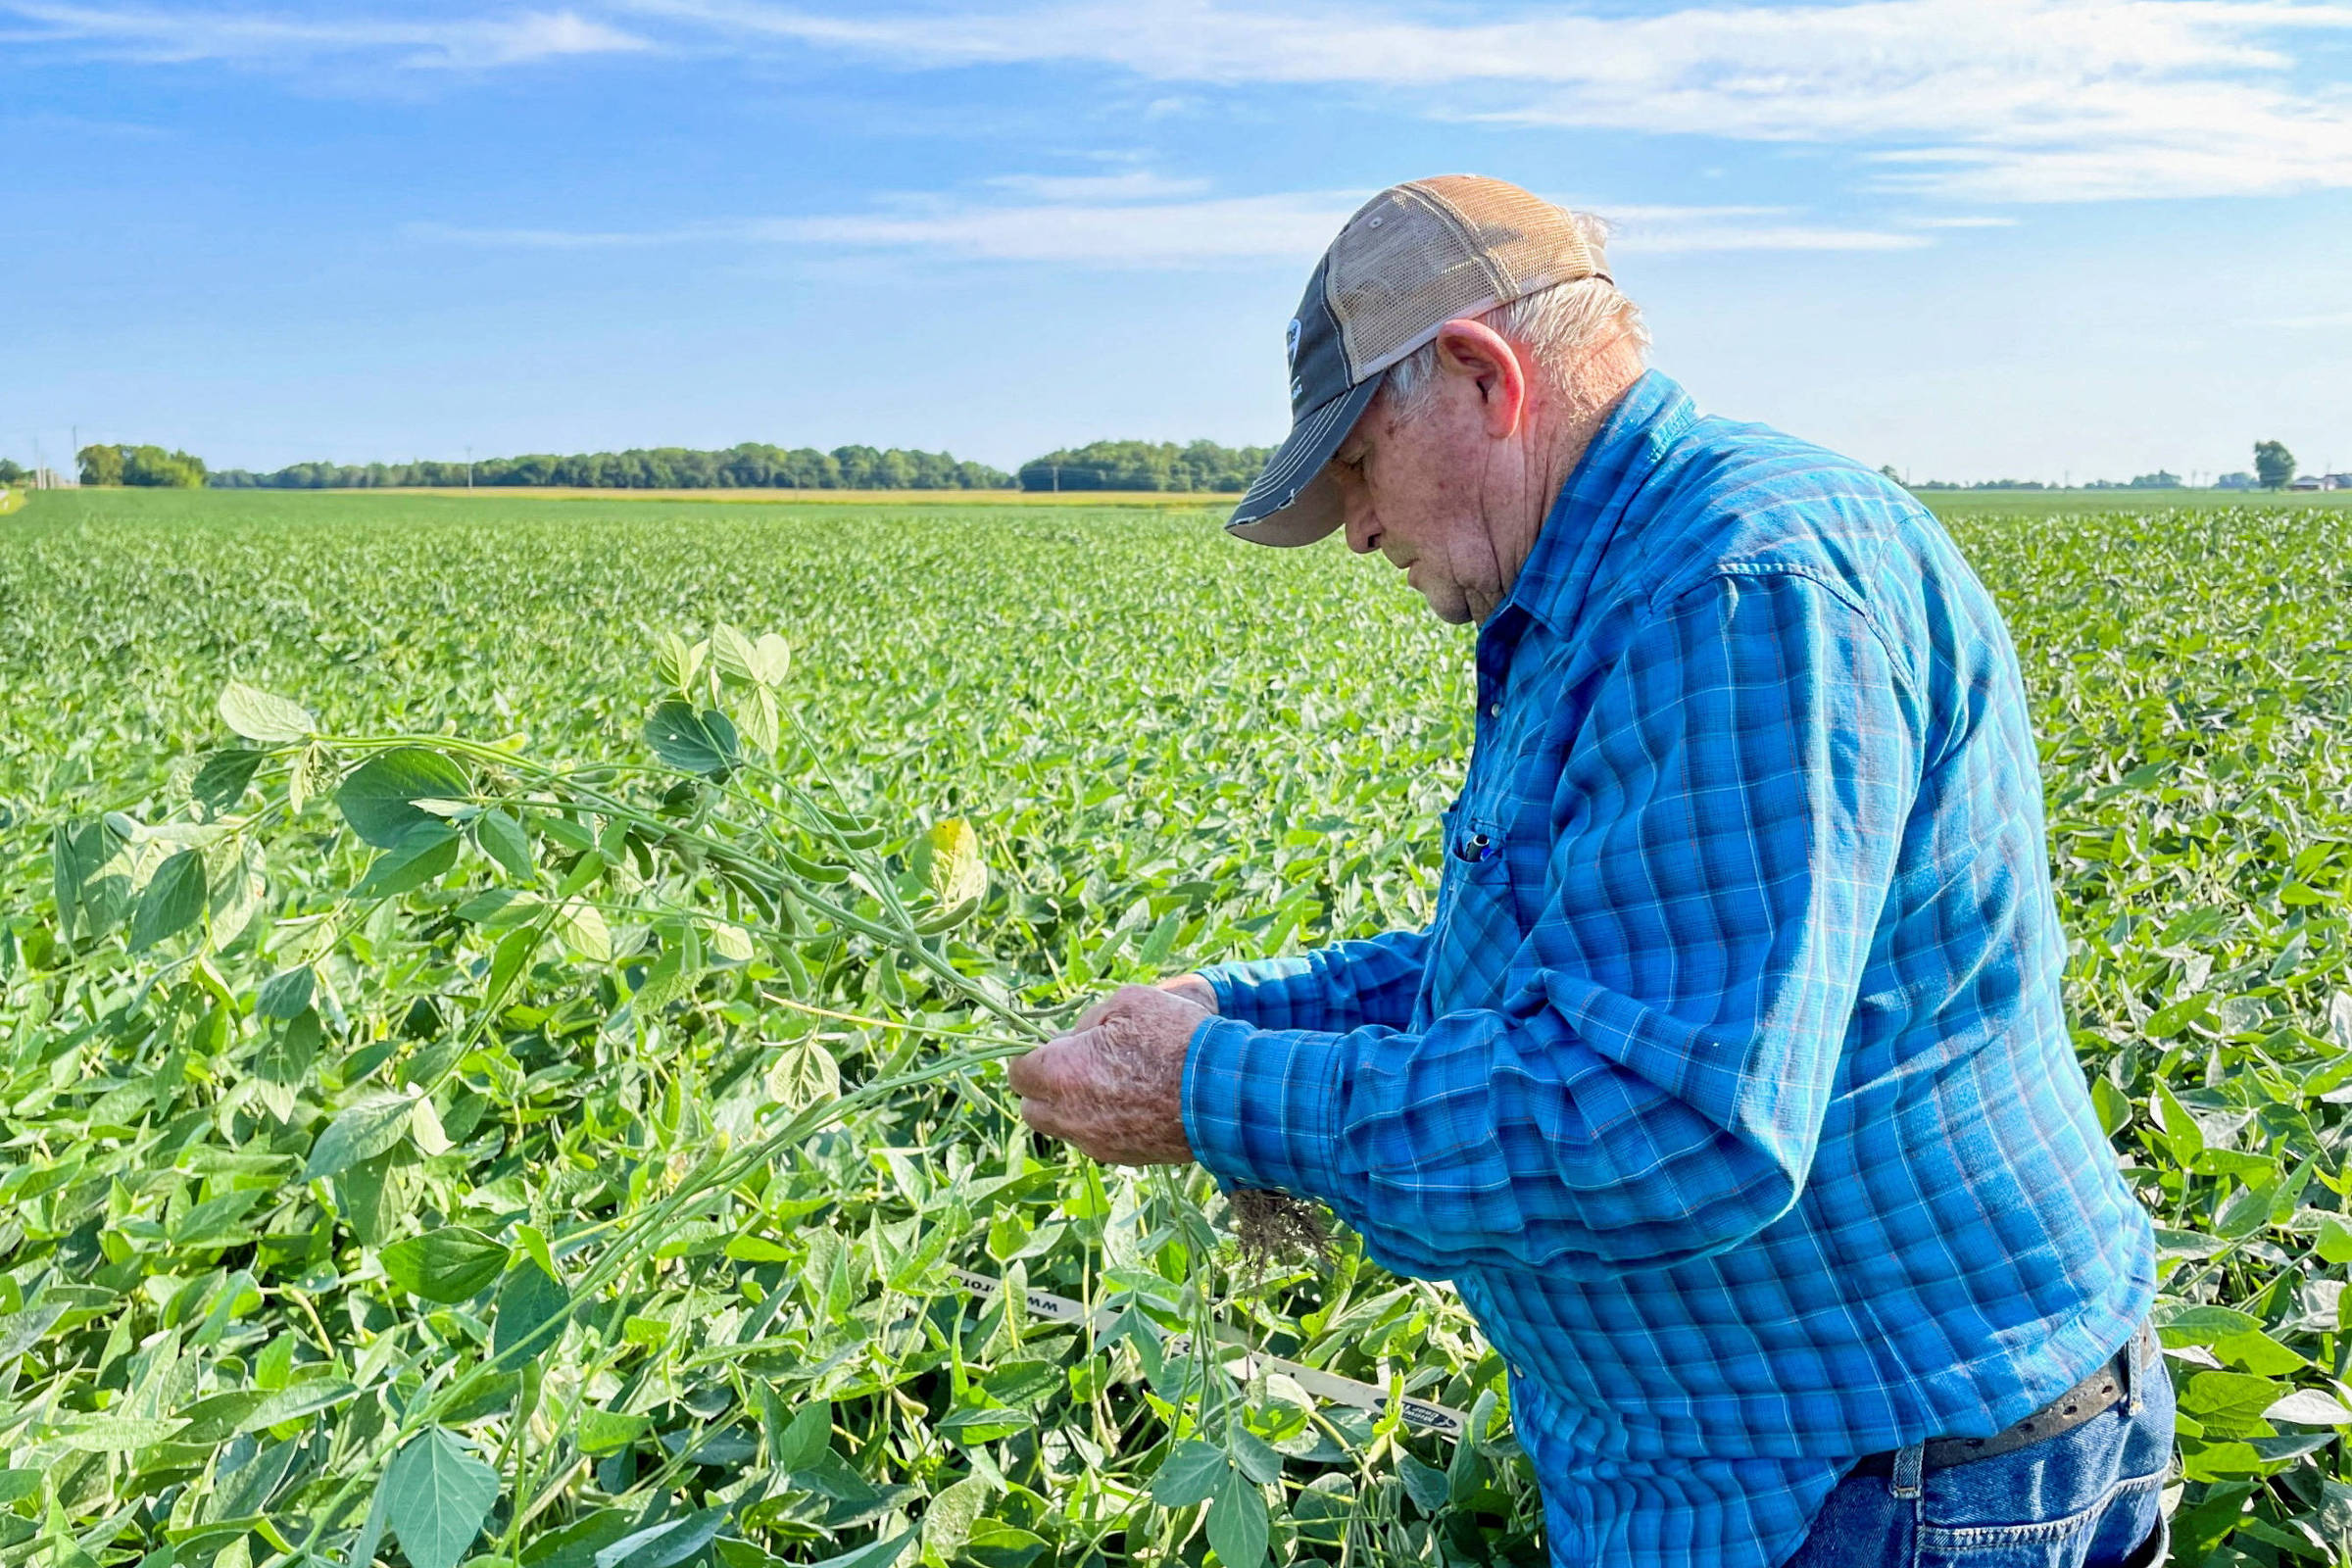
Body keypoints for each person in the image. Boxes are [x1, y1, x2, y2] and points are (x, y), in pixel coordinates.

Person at [1008, 174, 2170, 1568]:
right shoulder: (1615, 575)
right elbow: (1557, 960)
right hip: (1793, 1465)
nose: (1360, 529)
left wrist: (1209, 1090)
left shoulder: (1733, 591)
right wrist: (1236, 1011)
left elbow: (1671, 1126)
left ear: (1485, 379)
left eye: (1361, 470)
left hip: (1877, 1486)